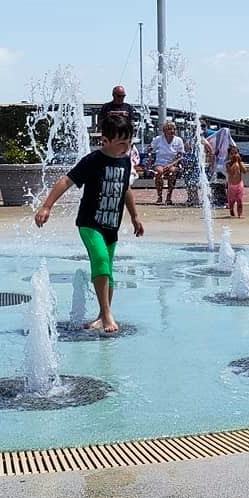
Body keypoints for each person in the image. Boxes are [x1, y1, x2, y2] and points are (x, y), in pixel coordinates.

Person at [34, 113, 144, 333]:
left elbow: (126, 189)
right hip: (90, 223)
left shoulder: (124, 161)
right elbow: (66, 180)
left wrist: (134, 216)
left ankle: (102, 316)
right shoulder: (93, 160)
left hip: (111, 225)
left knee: (107, 269)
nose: (126, 148)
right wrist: (47, 206)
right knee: (100, 259)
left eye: (129, 143)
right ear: (105, 141)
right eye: (121, 143)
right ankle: (107, 315)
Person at [148, 121, 185, 205]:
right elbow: (150, 148)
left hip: (173, 163)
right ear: (164, 130)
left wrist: (171, 164)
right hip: (160, 163)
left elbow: (181, 156)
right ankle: (159, 196)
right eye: (169, 129)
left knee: (172, 172)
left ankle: (169, 197)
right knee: (159, 172)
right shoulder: (158, 139)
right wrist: (150, 158)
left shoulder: (178, 140)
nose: (172, 131)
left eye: (174, 129)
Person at [226, 147, 247, 218]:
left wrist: (239, 162)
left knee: (239, 200)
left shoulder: (240, 163)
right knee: (231, 201)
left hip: (239, 185)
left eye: (235, 153)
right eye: (231, 153)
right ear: (228, 155)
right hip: (231, 186)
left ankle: (240, 214)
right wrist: (234, 163)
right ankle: (231, 209)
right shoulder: (228, 164)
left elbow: (244, 171)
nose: (234, 155)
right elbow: (230, 173)